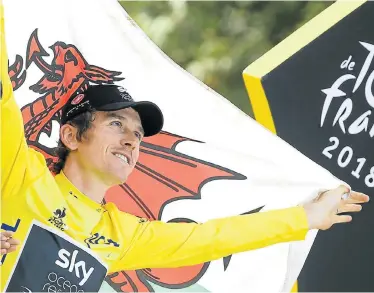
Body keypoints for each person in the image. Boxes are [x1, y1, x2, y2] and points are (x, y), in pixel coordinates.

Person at [0, 12, 369, 292]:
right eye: (116, 124)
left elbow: (213, 237)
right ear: (70, 135)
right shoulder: (19, 172)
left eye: (138, 135)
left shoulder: (123, 236)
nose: (131, 140)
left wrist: (305, 217)